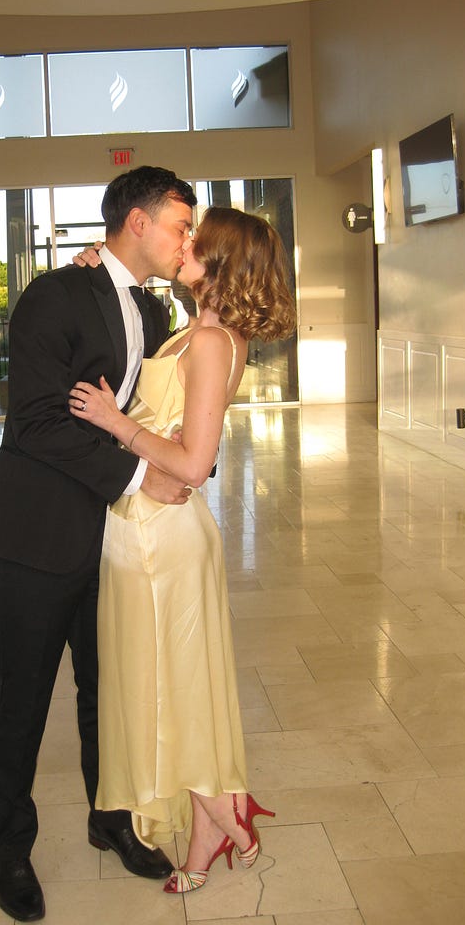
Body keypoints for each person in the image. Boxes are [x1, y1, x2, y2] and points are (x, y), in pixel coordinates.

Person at [0, 165, 198, 922]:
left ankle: (112, 821)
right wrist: (137, 476)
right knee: (25, 697)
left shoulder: (156, 310)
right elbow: (35, 422)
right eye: (179, 226)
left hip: (115, 539)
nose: (185, 241)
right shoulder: (54, 295)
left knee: (108, 690)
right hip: (38, 533)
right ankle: (10, 850)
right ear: (138, 222)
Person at [68, 206, 296, 893]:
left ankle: (224, 816)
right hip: (145, 531)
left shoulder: (212, 342)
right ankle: (215, 823)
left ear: (220, 262)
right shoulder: (197, 331)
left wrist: (115, 422)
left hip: (161, 540)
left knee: (168, 690)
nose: (184, 242)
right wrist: (94, 263)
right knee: (171, 686)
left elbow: (195, 462)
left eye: (197, 238)